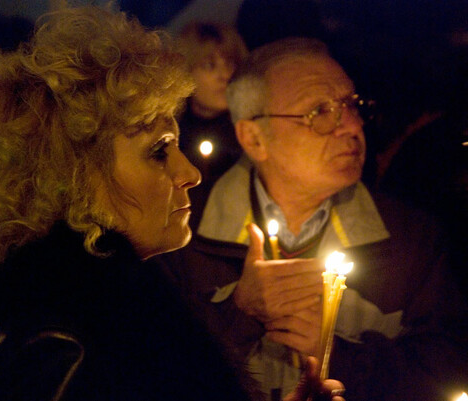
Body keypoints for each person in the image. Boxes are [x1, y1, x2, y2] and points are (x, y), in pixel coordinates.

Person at [0, 8, 345, 401]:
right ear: (77, 173)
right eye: (159, 151)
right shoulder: (69, 343)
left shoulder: (100, 310)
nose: (190, 174)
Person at [158, 37, 468, 401]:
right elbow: (147, 369)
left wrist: (338, 356)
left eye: (351, 105)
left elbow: (451, 368)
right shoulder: (178, 232)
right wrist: (238, 315)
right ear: (254, 138)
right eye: (319, 112)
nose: (352, 126)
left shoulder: (412, 237)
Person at [175, 21, 248, 230]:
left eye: (230, 64)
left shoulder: (249, 131)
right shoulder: (172, 133)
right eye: (209, 65)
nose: (224, 76)